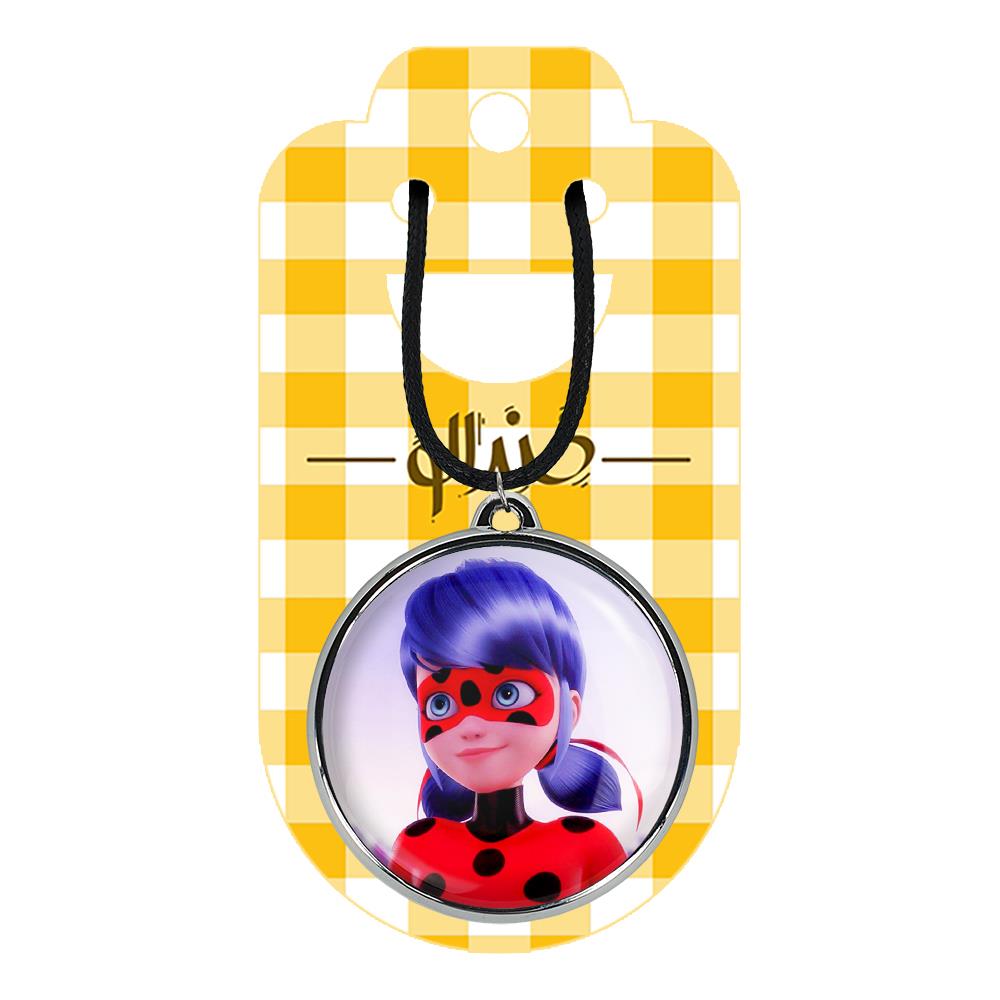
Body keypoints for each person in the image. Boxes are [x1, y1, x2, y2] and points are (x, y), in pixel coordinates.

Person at [388, 558, 639, 909]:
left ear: (569, 710)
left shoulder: (590, 848)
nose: (471, 727)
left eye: (508, 693)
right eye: (440, 703)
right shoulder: (418, 848)